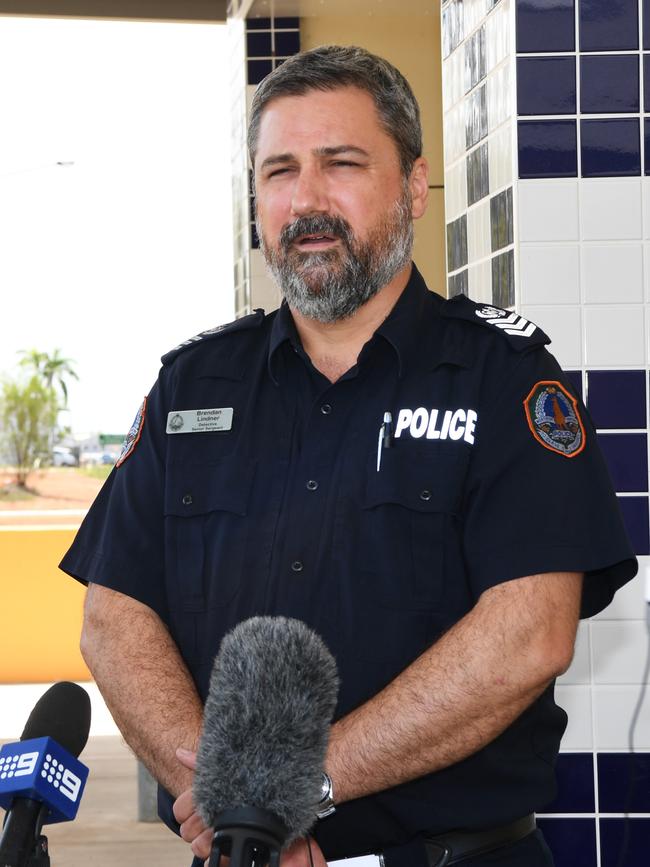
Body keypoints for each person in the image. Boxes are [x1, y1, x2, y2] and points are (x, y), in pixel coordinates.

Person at [60, 46, 637, 867]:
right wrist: (233, 805)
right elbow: (115, 617)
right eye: (280, 171)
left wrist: (295, 789)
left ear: (412, 186)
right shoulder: (192, 385)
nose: (307, 201)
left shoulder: (504, 382)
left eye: (342, 164)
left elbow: (530, 633)